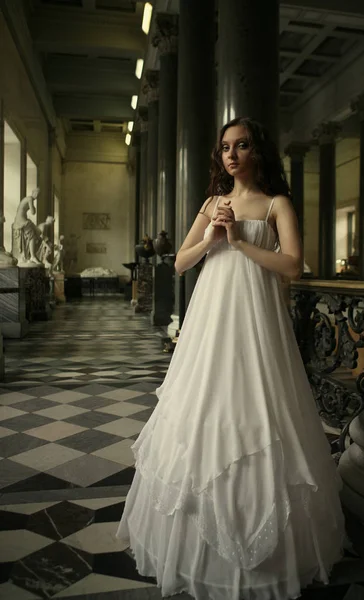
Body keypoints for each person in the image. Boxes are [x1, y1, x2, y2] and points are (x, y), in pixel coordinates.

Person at [117, 117, 345, 600]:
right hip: (211, 319)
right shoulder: (211, 203)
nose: (232, 154)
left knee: (258, 406)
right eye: (225, 147)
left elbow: (293, 264)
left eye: (241, 145)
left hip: (258, 321)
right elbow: (180, 262)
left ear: (257, 151)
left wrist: (241, 241)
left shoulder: (276, 203)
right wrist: (213, 239)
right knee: (206, 406)